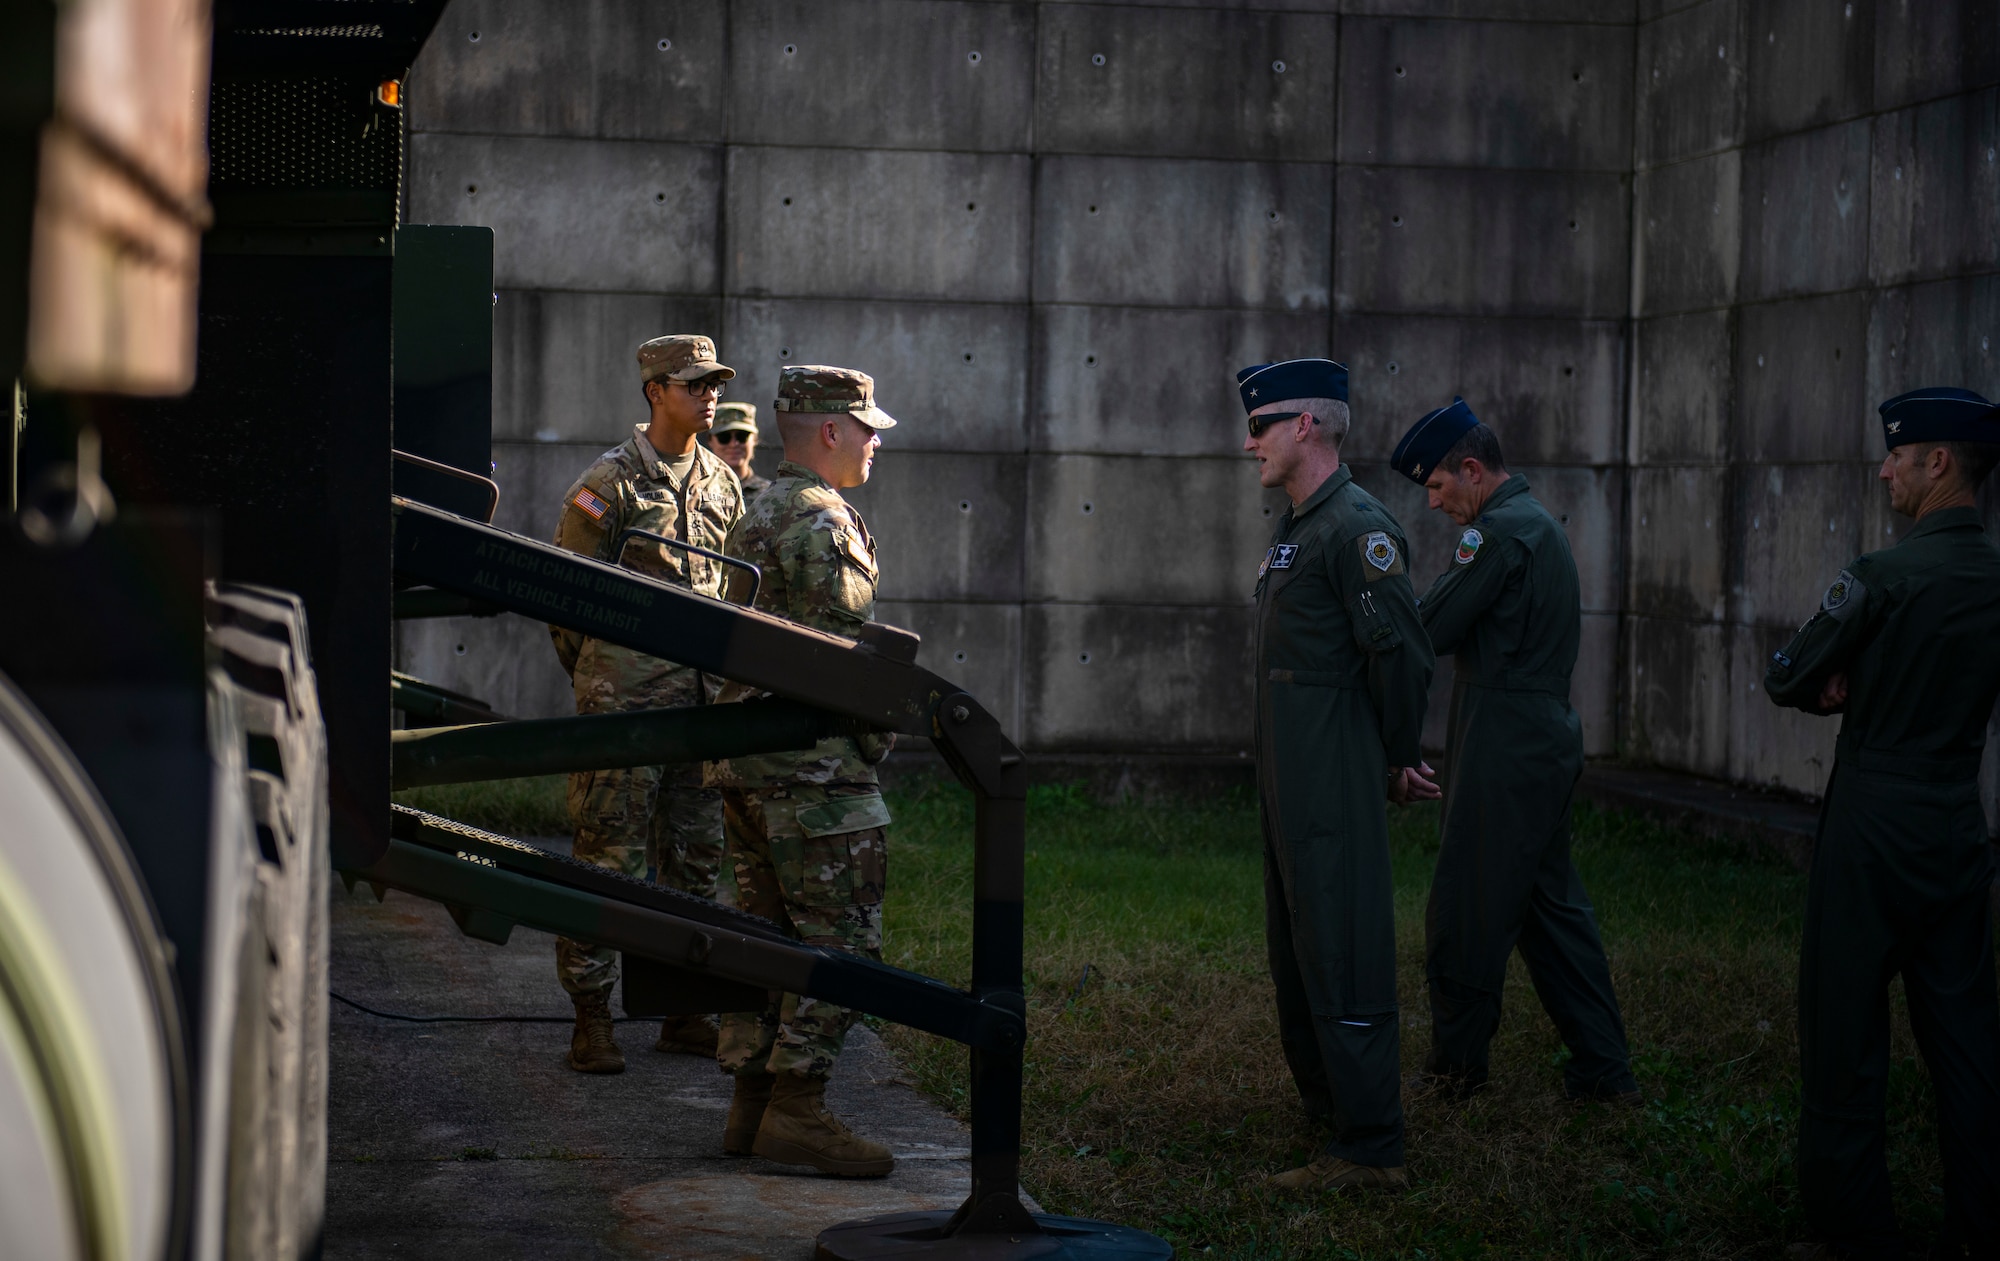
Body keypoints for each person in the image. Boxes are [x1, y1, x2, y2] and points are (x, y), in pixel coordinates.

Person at [1764, 387, 2000, 1261]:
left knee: (1843, 1027)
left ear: (1938, 463)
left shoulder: (1884, 575)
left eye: (1897, 455)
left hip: (1873, 821)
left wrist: (1839, 677)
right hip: (1955, 818)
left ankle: (1849, 1230)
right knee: (1969, 1037)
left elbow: (1787, 674)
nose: (1885, 467)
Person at [1389, 398, 1638, 1105]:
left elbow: (1430, 626)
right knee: (1549, 911)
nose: (1435, 503)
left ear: (1471, 469)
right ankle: (1604, 1069)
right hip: (1536, 736)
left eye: (1437, 486)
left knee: (1465, 908)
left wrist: (1374, 612)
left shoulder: (1498, 535)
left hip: (1505, 738)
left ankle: (1454, 1071)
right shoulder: (1532, 526)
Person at [1240, 357, 1437, 1193]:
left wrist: (1396, 756)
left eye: (1261, 425)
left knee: (1344, 941)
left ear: (1306, 426)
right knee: (1299, 942)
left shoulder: (1358, 527)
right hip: (1292, 774)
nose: (1249, 442)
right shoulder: (1299, 525)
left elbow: (1400, 657)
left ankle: (1369, 1146)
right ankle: (1328, 1106)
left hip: (1332, 773)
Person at [706, 365, 900, 1177]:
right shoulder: (819, 520)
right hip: (813, 772)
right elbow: (839, 658)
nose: (876, 439)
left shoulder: (757, 508)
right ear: (830, 431)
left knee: (767, 935)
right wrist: (874, 740)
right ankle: (799, 1108)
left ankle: (751, 1105)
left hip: (750, 765)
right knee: (843, 938)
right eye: (866, 426)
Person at [547, 334, 746, 1074]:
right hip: (625, 713)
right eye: (694, 384)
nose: (709, 395)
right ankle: (592, 1017)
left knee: (696, 861)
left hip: (700, 711)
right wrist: (606, 678)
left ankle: (683, 1008)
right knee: (610, 862)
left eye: (714, 384)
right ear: (656, 391)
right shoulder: (612, 483)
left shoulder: (723, 485)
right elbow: (564, 600)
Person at [705, 401, 769, 495]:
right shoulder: (699, 491)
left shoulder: (769, 495)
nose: (734, 444)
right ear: (710, 440)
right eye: (724, 437)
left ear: (754, 439)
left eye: (742, 436)